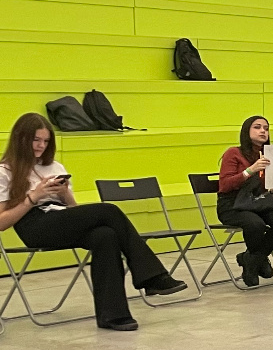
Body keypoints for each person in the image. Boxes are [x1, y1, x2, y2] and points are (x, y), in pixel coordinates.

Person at [0, 114, 186, 330]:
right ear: (21, 139)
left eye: (46, 141)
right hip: (33, 223)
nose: (41, 145)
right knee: (109, 210)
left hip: (62, 216)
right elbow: (2, 223)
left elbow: (74, 211)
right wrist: (33, 197)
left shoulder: (55, 167)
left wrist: (65, 194)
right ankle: (152, 276)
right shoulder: (5, 171)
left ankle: (113, 315)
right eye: (36, 140)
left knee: (105, 235)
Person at [217, 115, 273, 288]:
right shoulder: (233, 153)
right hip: (232, 204)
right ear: (246, 131)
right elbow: (225, 185)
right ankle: (259, 260)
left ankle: (251, 259)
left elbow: (261, 188)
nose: (263, 131)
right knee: (255, 224)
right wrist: (250, 170)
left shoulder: (268, 155)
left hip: (257, 202)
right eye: (257, 127)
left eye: (266, 128)